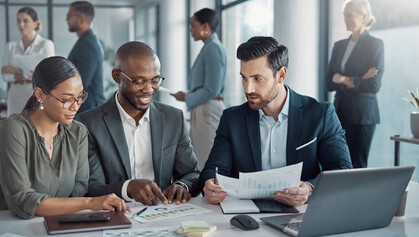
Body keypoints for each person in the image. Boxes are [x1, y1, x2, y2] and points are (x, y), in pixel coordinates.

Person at [199, 37, 353, 207]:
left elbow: (342, 171)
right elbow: (212, 170)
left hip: (302, 214)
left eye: (258, 79)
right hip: (245, 217)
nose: (248, 88)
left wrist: (309, 188)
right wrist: (209, 185)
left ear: (281, 75)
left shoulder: (320, 114)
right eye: (244, 78)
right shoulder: (232, 119)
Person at [0, 56, 128, 219]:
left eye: (80, 97)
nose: (75, 107)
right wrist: (90, 203)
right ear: (40, 94)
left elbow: (78, 191)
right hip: (15, 228)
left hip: (61, 224)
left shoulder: (78, 133)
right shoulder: (13, 129)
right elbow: (22, 199)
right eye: (67, 100)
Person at [76, 41, 200, 206]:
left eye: (155, 80)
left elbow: (192, 173)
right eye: (139, 81)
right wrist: (128, 188)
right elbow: (90, 187)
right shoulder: (88, 124)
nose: (149, 89)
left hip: (164, 214)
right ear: (117, 77)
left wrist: (182, 185)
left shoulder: (173, 119)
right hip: (115, 215)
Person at [326, 0, 384, 168]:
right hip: (339, 113)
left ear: (364, 16)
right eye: (344, 15)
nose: (345, 19)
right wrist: (357, 79)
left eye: (350, 15)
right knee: (338, 164)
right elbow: (329, 82)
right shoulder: (339, 46)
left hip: (362, 115)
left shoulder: (375, 45)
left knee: (357, 165)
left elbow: (373, 85)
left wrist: (342, 79)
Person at [172, 8, 226, 169]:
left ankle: (212, 193)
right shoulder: (208, 47)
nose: (190, 30)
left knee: (207, 160)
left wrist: (187, 97)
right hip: (202, 108)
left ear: (206, 27)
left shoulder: (213, 48)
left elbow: (211, 89)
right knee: (199, 158)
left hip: (208, 109)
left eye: (193, 25)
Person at [1, 7, 55, 116]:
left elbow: (48, 73)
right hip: (15, 93)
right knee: (14, 126)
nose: (21, 25)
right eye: (19, 21)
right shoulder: (10, 46)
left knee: (33, 125)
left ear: (35, 23)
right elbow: (5, 74)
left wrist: (17, 71)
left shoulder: (46, 45)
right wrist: (27, 73)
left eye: (25, 21)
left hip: (34, 93)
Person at [67, 1, 106, 113]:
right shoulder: (86, 41)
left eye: (69, 16)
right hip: (87, 108)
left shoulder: (88, 44)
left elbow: (81, 83)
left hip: (90, 111)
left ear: (81, 19)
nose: (67, 20)